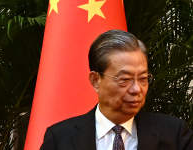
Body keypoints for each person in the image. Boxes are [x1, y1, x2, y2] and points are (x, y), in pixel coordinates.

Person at [40, 30, 193, 150]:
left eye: (143, 78)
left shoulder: (174, 134)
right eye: (124, 80)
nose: (136, 89)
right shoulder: (60, 138)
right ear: (95, 80)